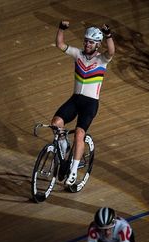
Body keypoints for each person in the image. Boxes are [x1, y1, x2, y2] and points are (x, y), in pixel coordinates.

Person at [52, 20, 115, 186]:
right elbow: (60, 44)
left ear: (97, 45)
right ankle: (63, 145)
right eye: (86, 41)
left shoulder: (102, 59)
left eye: (91, 42)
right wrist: (61, 28)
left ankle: (73, 171)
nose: (88, 44)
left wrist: (108, 35)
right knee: (56, 122)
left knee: (80, 134)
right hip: (75, 99)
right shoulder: (78, 54)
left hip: (90, 103)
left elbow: (112, 50)